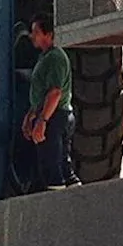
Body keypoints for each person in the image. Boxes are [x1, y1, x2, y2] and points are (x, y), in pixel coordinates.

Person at [22, 13, 78, 190]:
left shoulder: (55, 58)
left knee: (51, 168)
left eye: (36, 32)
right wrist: (31, 115)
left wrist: (42, 121)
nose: (32, 36)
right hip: (53, 115)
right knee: (63, 165)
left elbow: (54, 93)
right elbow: (43, 92)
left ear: (48, 34)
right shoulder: (46, 57)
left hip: (55, 117)